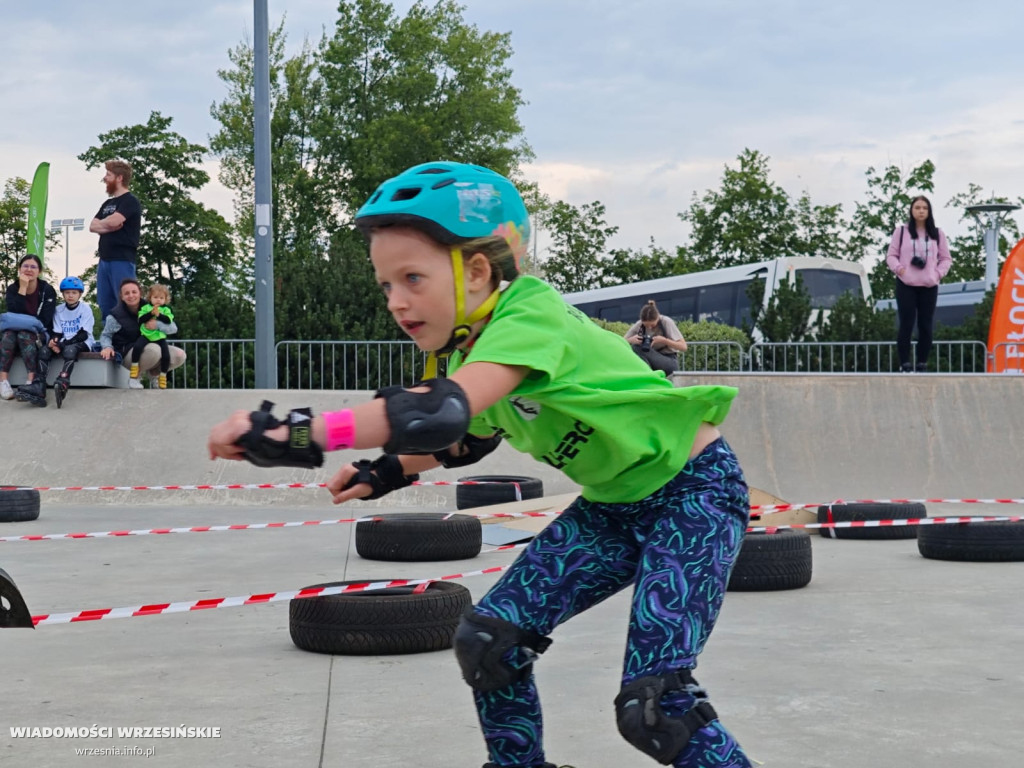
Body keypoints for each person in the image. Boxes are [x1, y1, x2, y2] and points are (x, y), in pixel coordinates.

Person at [207, 161, 752, 768]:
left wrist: (292, 433)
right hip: (613, 509)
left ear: (478, 270)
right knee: (491, 642)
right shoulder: (473, 351)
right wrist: (385, 472)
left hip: (693, 495)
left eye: (413, 278)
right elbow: (463, 438)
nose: (397, 301)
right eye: (386, 285)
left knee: (657, 708)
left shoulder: (529, 315)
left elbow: (439, 413)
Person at [885, 195, 952, 373]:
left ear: (929, 211)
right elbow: (891, 256)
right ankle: (905, 362)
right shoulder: (901, 232)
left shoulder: (937, 234)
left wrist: (937, 274)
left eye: (924, 208)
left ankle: (922, 362)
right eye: (917, 207)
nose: (921, 211)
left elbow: (946, 259)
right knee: (906, 323)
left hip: (929, 285)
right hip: (906, 283)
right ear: (911, 210)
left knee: (925, 324)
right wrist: (900, 269)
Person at [99, 278, 186, 389]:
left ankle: (154, 374)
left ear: (140, 293)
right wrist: (107, 347)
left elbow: (174, 328)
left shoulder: (153, 307)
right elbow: (106, 335)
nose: (131, 295)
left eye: (134, 292)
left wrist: (157, 325)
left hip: (151, 346)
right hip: (127, 352)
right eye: (127, 293)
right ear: (122, 297)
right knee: (153, 350)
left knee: (180, 355)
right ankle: (135, 377)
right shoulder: (115, 315)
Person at [0, 254, 57, 407]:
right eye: (25, 266)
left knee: (24, 335)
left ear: (39, 271)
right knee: (8, 335)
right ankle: (3, 381)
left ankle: (30, 380)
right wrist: (23, 288)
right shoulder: (13, 288)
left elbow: (45, 319)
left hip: (39, 333)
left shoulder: (47, 290)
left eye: (33, 267)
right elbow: (14, 311)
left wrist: (24, 323)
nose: (29, 269)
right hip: (14, 331)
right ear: (19, 269)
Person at [89, 159, 142, 323]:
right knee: (105, 304)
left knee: (125, 301)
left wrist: (106, 224)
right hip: (104, 260)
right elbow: (92, 226)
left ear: (119, 178)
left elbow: (113, 221)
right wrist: (109, 225)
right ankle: (108, 341)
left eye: (108, 175)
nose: (105, 178)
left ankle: (127, 340)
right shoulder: (107, 204)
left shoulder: (130, 201)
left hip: (122, 259)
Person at [45, 276, 97, 409]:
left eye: (74, 293)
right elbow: (57, 332)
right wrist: (55, 342)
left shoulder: (85, 309)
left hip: (84, 341)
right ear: (63, 294)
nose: (70, 296)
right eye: (67, 292)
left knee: (70, 350)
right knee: (44, 350)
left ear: (79, 294)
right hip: (65, 341)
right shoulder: (59, 309)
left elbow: (83, 334)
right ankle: (39, 383)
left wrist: (63, 345)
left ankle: (63, 380)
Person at [625, 299, 688, 376]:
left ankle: (648, 374)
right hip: (651, 361)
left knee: (637, 348)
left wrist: (665, 341)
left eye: (653, 325)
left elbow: (683, 347)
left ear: (657, 318)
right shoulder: (639, 324)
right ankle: (646, 373)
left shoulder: (666, 322)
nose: (650, 328)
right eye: (646, 326)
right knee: (636, 347)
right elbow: (621, 341)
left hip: (669, 361)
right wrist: (630, 340)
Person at [130, 284, 175, 389]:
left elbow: (168, 321)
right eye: (155, 297)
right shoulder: (146, 308)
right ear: (150, 298)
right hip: (146, 334)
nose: (158, 300)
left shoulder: (167, 310)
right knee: (137, 347)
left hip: (159, 336)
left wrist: (159, 315)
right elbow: (141, 320)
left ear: (165, 299)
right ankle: (134, 366)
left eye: (161, 298)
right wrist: (151, 313)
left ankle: (163, 376)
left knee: (166, 356)